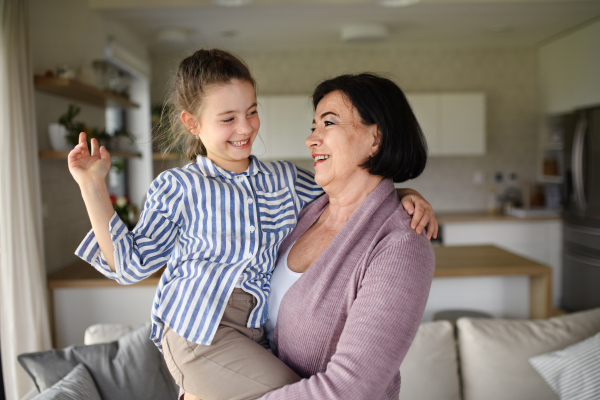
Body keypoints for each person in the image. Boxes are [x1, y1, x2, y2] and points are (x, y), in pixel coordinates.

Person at [67, 49, 436, 400]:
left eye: (252, 112)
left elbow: (360, 190)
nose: (245, 127)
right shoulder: (180, 187)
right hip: (199, 331)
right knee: (292, 388)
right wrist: (92, 187)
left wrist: (403, 192)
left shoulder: (286, 182)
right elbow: (130, 265)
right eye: (227, 118)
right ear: (192, 123)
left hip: (251, 336)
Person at [258, 73, 436, 399]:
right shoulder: (300, 211)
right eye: (313, 127)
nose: (312, 139)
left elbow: (349, 390)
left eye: (329, 123)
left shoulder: (401, 246)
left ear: (376, 139)